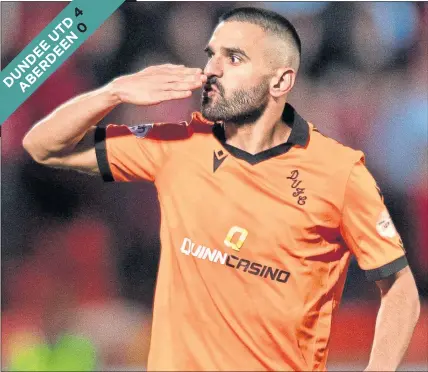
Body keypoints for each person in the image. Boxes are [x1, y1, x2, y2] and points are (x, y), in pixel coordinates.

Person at [22, 7, 420, 372]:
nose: (212, 68)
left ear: (280, 80)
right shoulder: (179, 145)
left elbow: (400, 288)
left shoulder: (340, 171)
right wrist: (114, 93)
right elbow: (44, 146)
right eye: (211, 54)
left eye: (234, 58)